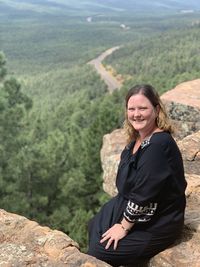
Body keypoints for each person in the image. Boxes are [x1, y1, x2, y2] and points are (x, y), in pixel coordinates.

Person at [87, 84, 187, 266]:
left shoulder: (158, 145)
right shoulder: (136, 140)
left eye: (143, 108)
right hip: (128, 202)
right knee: (94, 225)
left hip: (157, 221)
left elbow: (144, 193)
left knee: (98, 251)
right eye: (131, 109)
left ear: (156, 110)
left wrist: (124, 226)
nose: (136, 114)